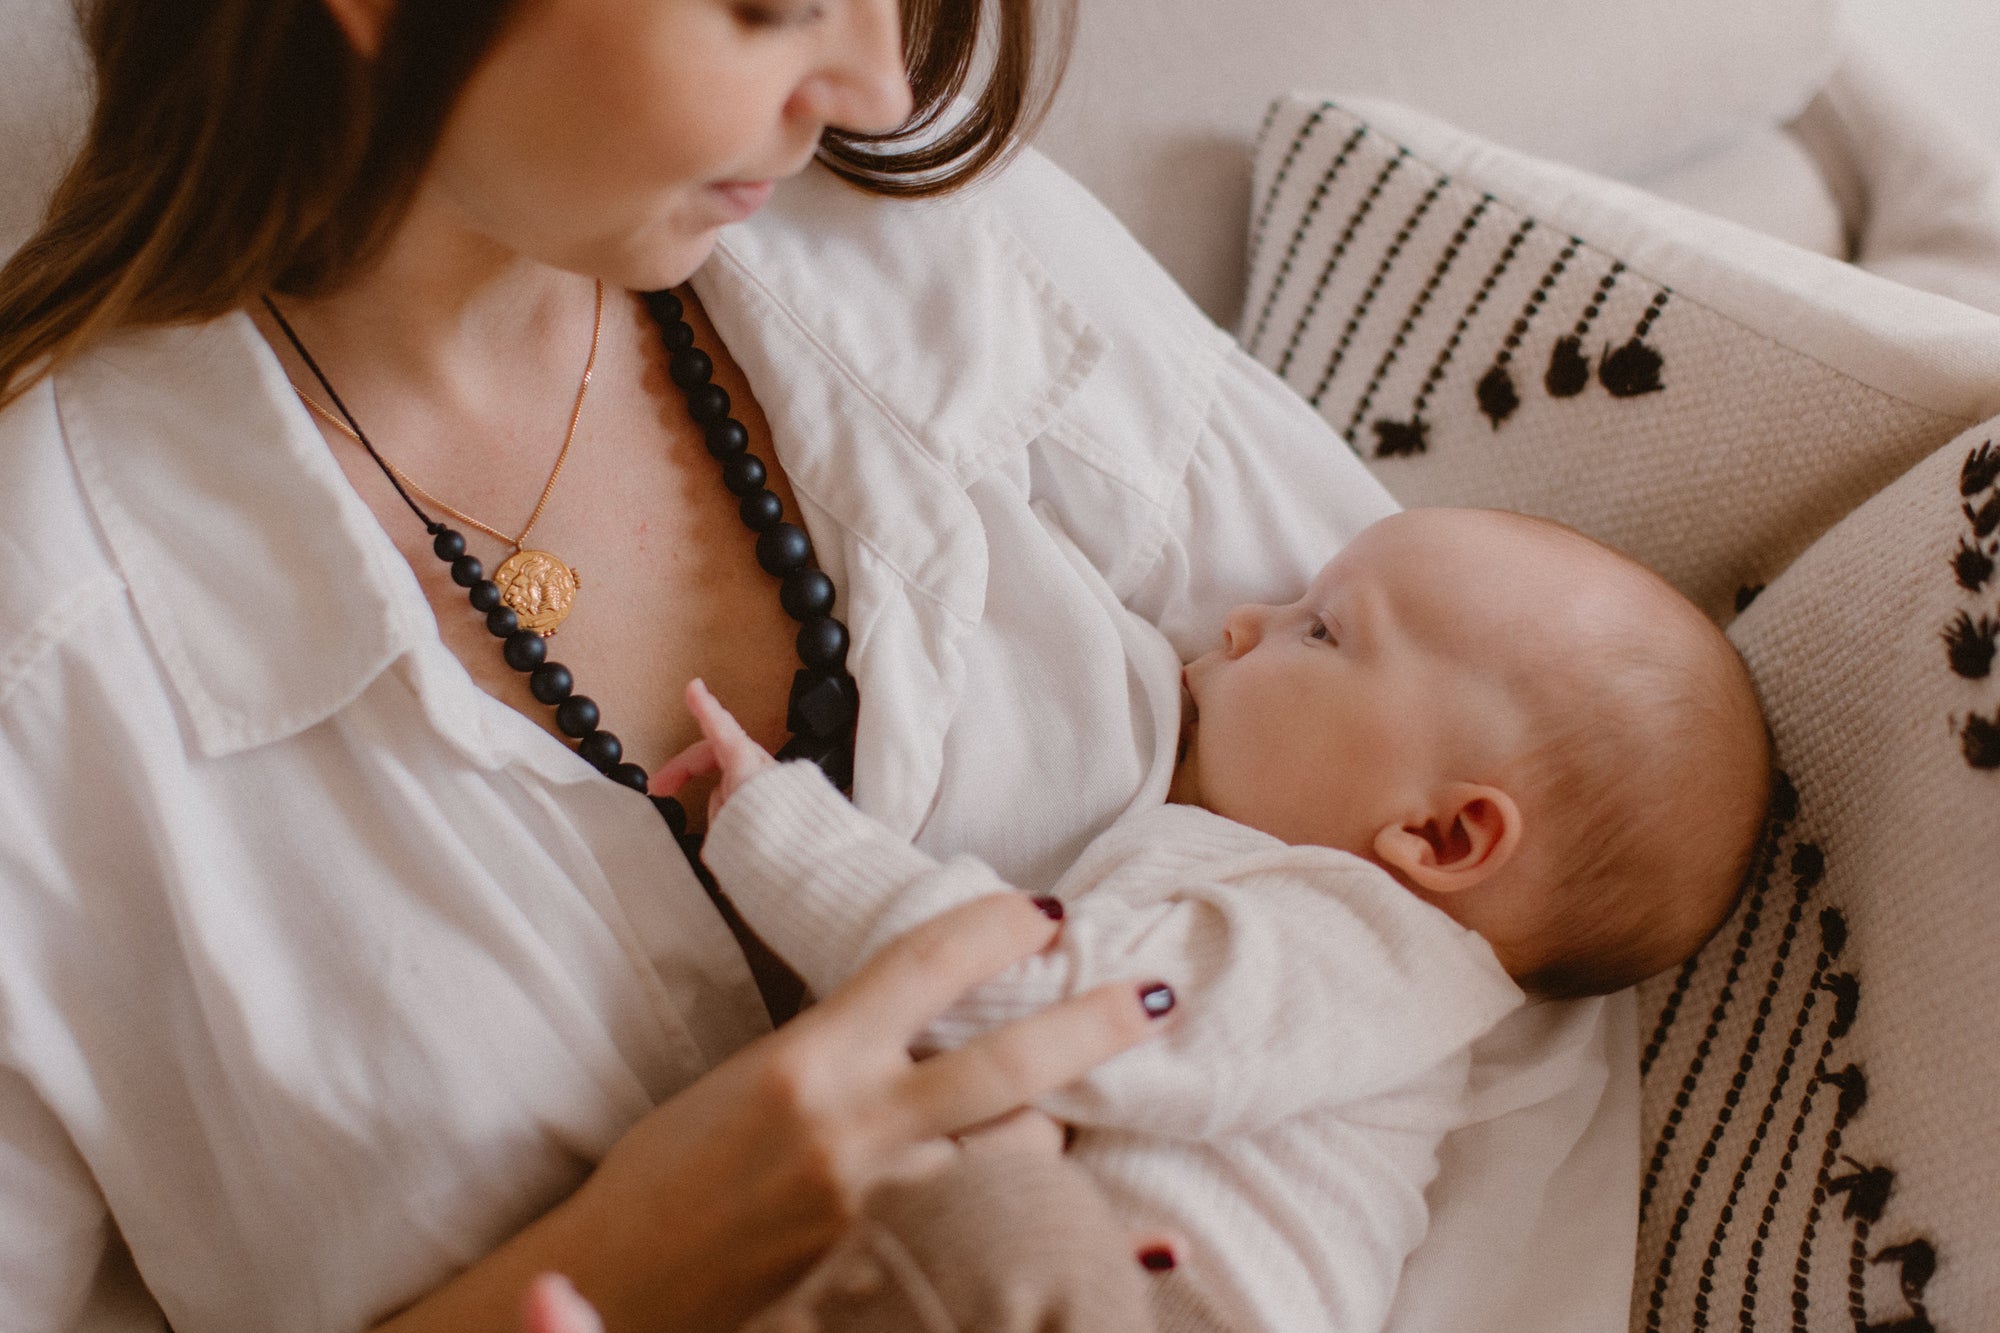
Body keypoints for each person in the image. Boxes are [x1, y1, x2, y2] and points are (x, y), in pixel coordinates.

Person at [0, 1, 1634, 1330]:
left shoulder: (932, 243)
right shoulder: (52, 653)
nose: (879, 78)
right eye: (771, 2)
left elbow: (1520, 899)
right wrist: (615, 1267)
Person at [661, 505, 1773, 1331]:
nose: (1245, 621)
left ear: (1439, 838)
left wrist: (782, 834)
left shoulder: (1366, 953)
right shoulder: (1287, 901)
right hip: (1022, 1284)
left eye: (1321, 632)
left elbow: (1052, 1004)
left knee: (975, 1227)